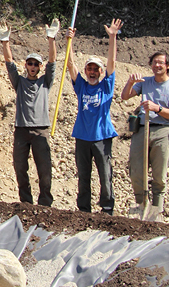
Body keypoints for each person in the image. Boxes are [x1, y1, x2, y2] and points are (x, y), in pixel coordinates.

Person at [0, 19, 59, 206]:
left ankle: (45, 203)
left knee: (44, 169)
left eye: (36, 64)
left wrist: (51, 39)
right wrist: (5, 41)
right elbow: (9, 63)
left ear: (39, 67)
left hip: (41, 130)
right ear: (26, 65)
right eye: (30, 63)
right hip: (21, 130)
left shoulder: (45, 82)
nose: (33, 66)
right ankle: (25, 202)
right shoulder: (20, 83)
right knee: (20, 168)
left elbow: (53, 61)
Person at [66, 19, 121, 215]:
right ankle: (84, 210)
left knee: (105, 175)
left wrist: (112, 37)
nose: (91, 72)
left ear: (100, 72)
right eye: (89, 68)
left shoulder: (105, 86)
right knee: (83, 175)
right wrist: (69, 42)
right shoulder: (81, 86)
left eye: (95, 69)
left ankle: (107, 208)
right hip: (82, 136)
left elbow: (112, 63)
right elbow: (71, 65)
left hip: (102, 137)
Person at [121, 50, 169, 221]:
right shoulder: (145, 82)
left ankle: (156, 209)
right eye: (154, 62)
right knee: (137, 170)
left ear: (167, 66)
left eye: (160, 62)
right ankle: (141, 204)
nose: (157, 65)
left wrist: (158, 109)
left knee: (159, 173)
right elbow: (125, 96)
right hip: (142, 129)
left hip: (163, 130)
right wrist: (130, 82)